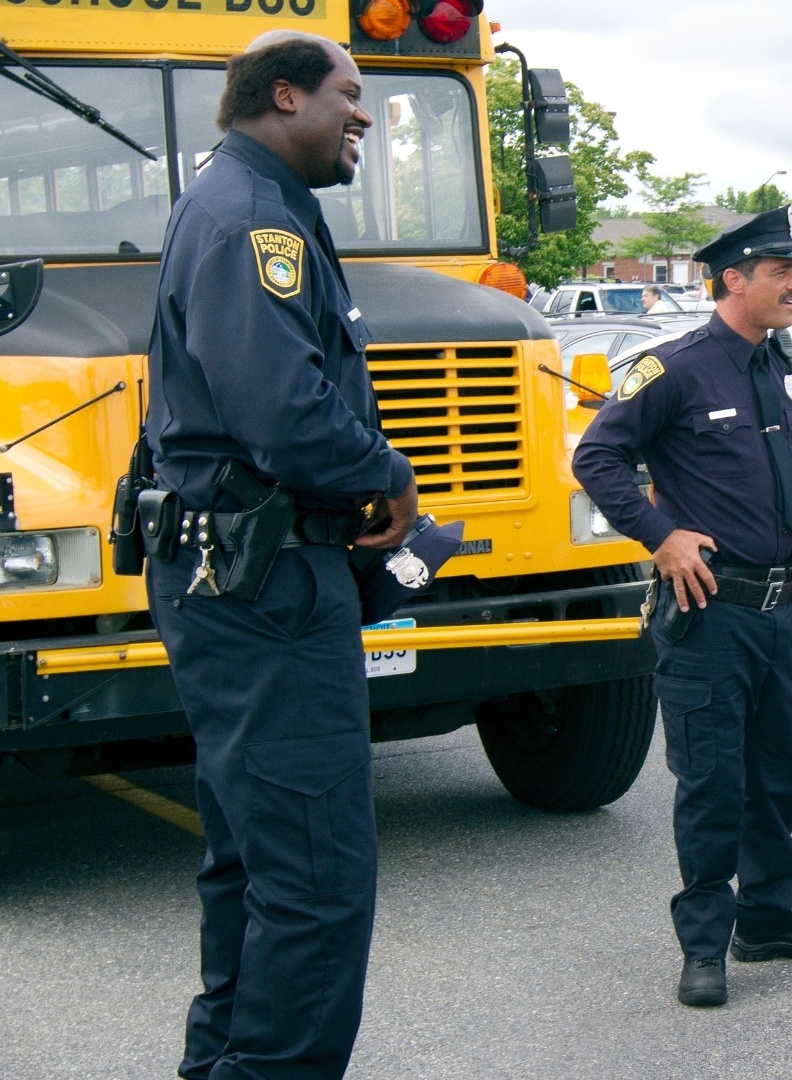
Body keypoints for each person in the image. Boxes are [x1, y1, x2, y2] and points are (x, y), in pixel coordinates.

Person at [143, 32, 416, 1080]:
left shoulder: (238, 201)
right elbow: (285, 412)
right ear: (285, 94)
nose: (362, 115)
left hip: (236, 576)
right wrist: (389, 474)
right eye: (350, 95)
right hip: (265, 585)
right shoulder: (253, 214)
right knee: (314, 872)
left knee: (256, 859)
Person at [572, 207, 792, 1009]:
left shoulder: (780, 364)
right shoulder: (676, 368)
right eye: (781, 272)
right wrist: (660, 535)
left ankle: (770, 914)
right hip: (708, 614)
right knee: (711, 782)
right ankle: (705, 944)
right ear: (735, 279)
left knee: (777, 773)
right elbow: (597, 455)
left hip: (776, 612)